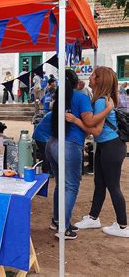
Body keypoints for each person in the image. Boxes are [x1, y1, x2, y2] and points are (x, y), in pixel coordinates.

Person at [46, 69, 113, 240]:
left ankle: (57, 220)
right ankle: (64, 226)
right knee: (71, 186)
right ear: (77, 83)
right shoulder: (81, 97)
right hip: (69, 145)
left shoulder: (59, 97)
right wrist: (108, 109)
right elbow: (90, 121)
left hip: (53, 143)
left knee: (61, 184)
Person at [67, 67, 128, 238]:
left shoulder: (101, 102)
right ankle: (93, 217)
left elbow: (97, 131)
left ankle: (123, 226)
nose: (90, 77)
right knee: (100, 183)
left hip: (111, 146)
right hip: (106, 146)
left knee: (113, 185)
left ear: (99, 80)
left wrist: (77, 121)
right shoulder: (100, 100)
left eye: (93, 75)